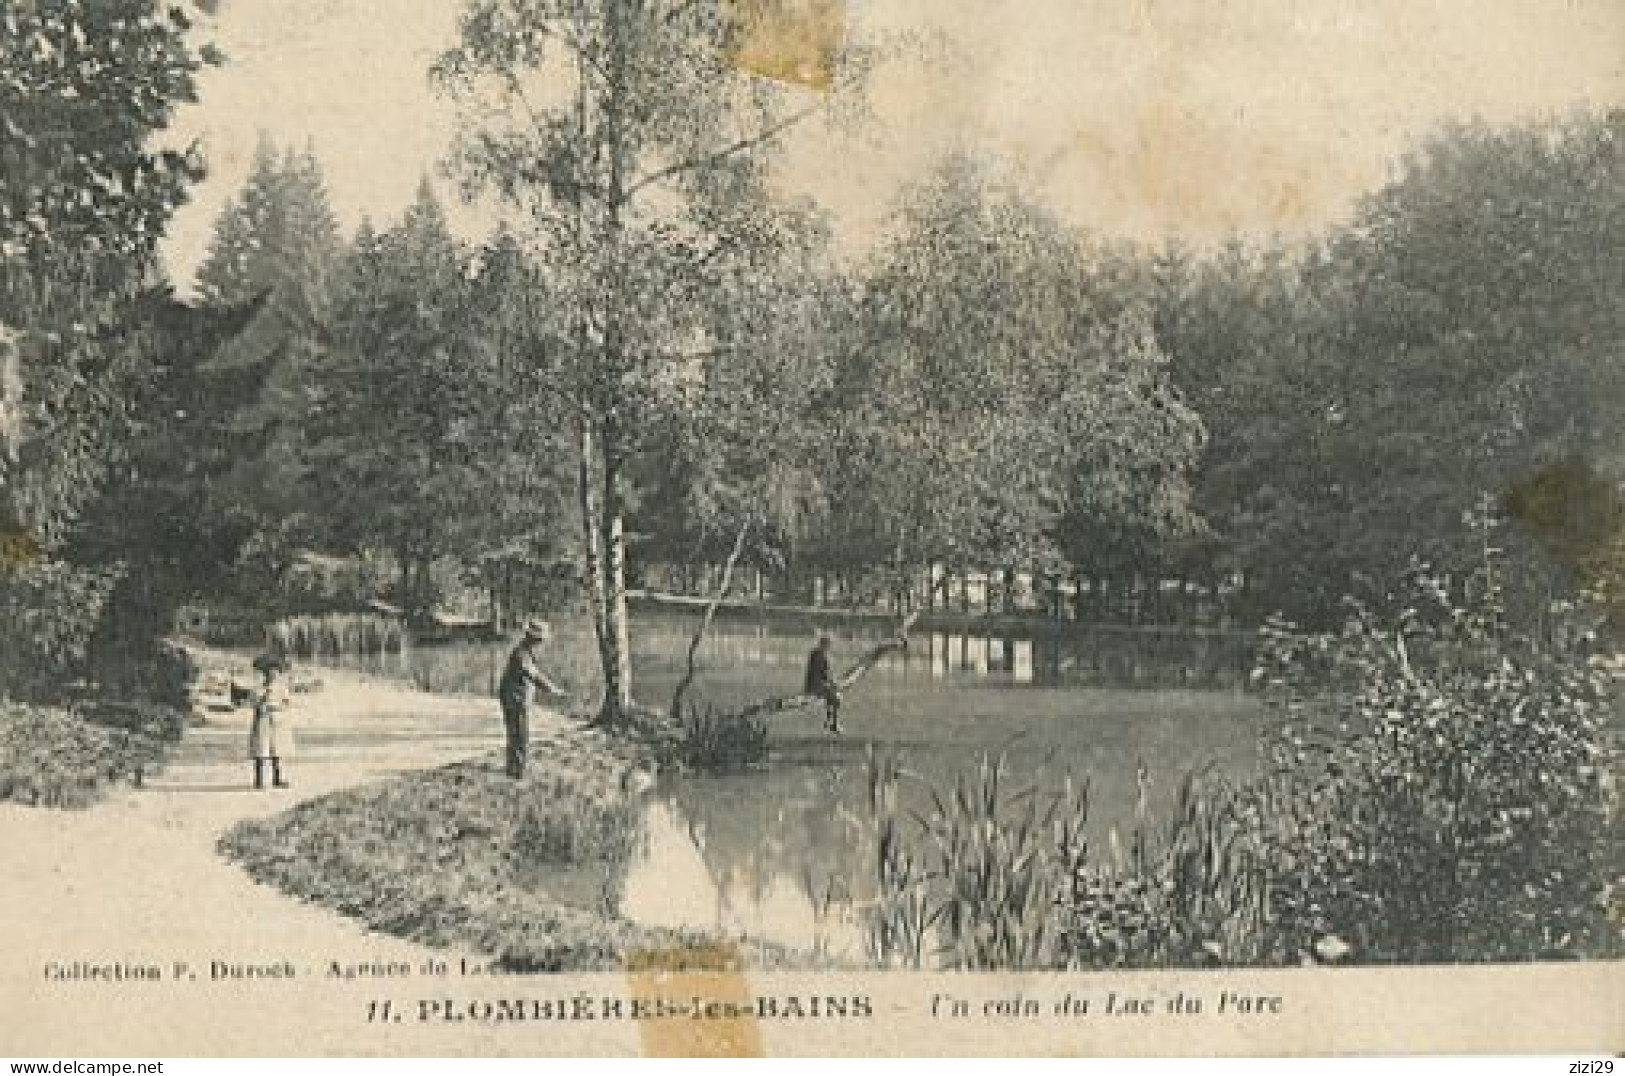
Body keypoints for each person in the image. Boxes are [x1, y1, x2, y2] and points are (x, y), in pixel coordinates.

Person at [498, 618, 567, 778]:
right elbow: (534, 676)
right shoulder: (522, 654)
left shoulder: (524, 651)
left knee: (516, 735)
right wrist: (553, 689)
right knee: (520, 736)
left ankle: (513, 769)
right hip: (514, 699)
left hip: (515, 698)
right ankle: (517, 773)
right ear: (533, 639)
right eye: (540, 640)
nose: (541, 644)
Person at [246, 652, 294, 790]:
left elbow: (287, 703)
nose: (273, 675)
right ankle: (259, 779)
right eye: (269, 673)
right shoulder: (258, 689)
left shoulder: (281, 689)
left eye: (275, 673)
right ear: (265, 674)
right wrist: (262, 700)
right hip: (262, 720)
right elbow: (252, 703)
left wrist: (277, 706)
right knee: (261, 750)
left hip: (277, 720)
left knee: (277, 750)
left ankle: (277, 778)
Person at [804, 633, 842, 734]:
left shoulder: (815, 653)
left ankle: (830, 723)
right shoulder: (822, 656)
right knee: (836, 698)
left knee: (832, 698)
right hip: (817, 685)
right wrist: (833, 683)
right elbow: (825, 674)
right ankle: (833, 724)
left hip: (812, 684)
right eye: (829, 644)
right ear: (826, 644)